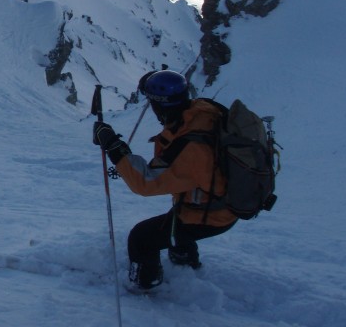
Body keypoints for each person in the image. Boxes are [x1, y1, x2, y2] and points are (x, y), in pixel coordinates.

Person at [92, 70, 238, 291]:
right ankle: (185, 263)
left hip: (211, 214)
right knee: (174, 225)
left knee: (142, 238)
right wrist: (155, 81)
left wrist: (113, 146)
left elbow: (146, 182)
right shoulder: (200, 111)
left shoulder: (193, 146)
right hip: (218, 202)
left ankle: (144, 286)